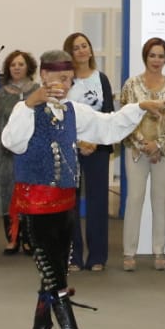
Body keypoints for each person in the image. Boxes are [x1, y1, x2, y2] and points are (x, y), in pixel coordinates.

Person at [0, 48, 162, 329]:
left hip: (65, 205)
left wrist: (141, 105)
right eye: (59, 78)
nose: (64, 84)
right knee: (56, 276)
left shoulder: (74, 111)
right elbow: (11, 142)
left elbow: (109, 126)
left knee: (53, 273)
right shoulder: (26, 109)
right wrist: (29, 104)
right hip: (35, 206)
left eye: (69, 79)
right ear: (44, 76)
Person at [116, 37, 165, 271]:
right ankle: (129, 253)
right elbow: (124, 116)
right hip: (136, 149)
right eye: (152, 55)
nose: (156, 60)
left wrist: (159, 145)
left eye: (161, 55)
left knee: (160, 199)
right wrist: (144, 144)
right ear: (145, 56)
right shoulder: (131, 85)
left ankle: (159, 251)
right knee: (134, 199)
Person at [62, 31, 110, 270]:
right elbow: (58, 115)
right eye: (76, 47)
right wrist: (78, 142)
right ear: (69, 53)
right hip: (70, 149)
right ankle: (73, 255)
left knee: (97, 203)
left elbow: (108, 116)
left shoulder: (101, 79)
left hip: (97, 149)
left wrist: (96, 143)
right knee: (69, 203)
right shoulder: (64, 81)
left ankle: (98, 256)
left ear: (90, 50)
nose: (81, 50)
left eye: (85, 46)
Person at [0, 50, 38, 255]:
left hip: (31, 151)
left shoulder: (37, 91)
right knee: (9, 194)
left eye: (21, 64)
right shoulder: (1, 93)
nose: (16, 67)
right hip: (5, 152)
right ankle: (12, 239)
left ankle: (28, 239)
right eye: (13, 64)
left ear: (29, 68)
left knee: (29, 195)